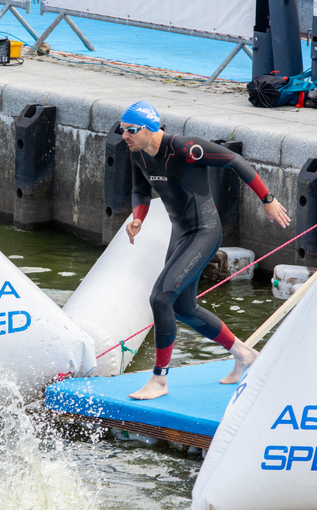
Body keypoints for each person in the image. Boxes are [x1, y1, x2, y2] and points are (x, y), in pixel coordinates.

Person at [120, 101, 291, 400]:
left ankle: (159, 380)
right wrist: (138, 218)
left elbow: (234, 161)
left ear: (149, 128)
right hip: (181, 233)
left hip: (204, 232)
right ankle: (243, 354)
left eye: (131, 130)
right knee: (182, 308)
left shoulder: (186, 148)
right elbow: (140, 190)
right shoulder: (138, 154)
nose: (125, 136)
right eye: (122, 130)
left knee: (160, 298)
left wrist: (267, 198)